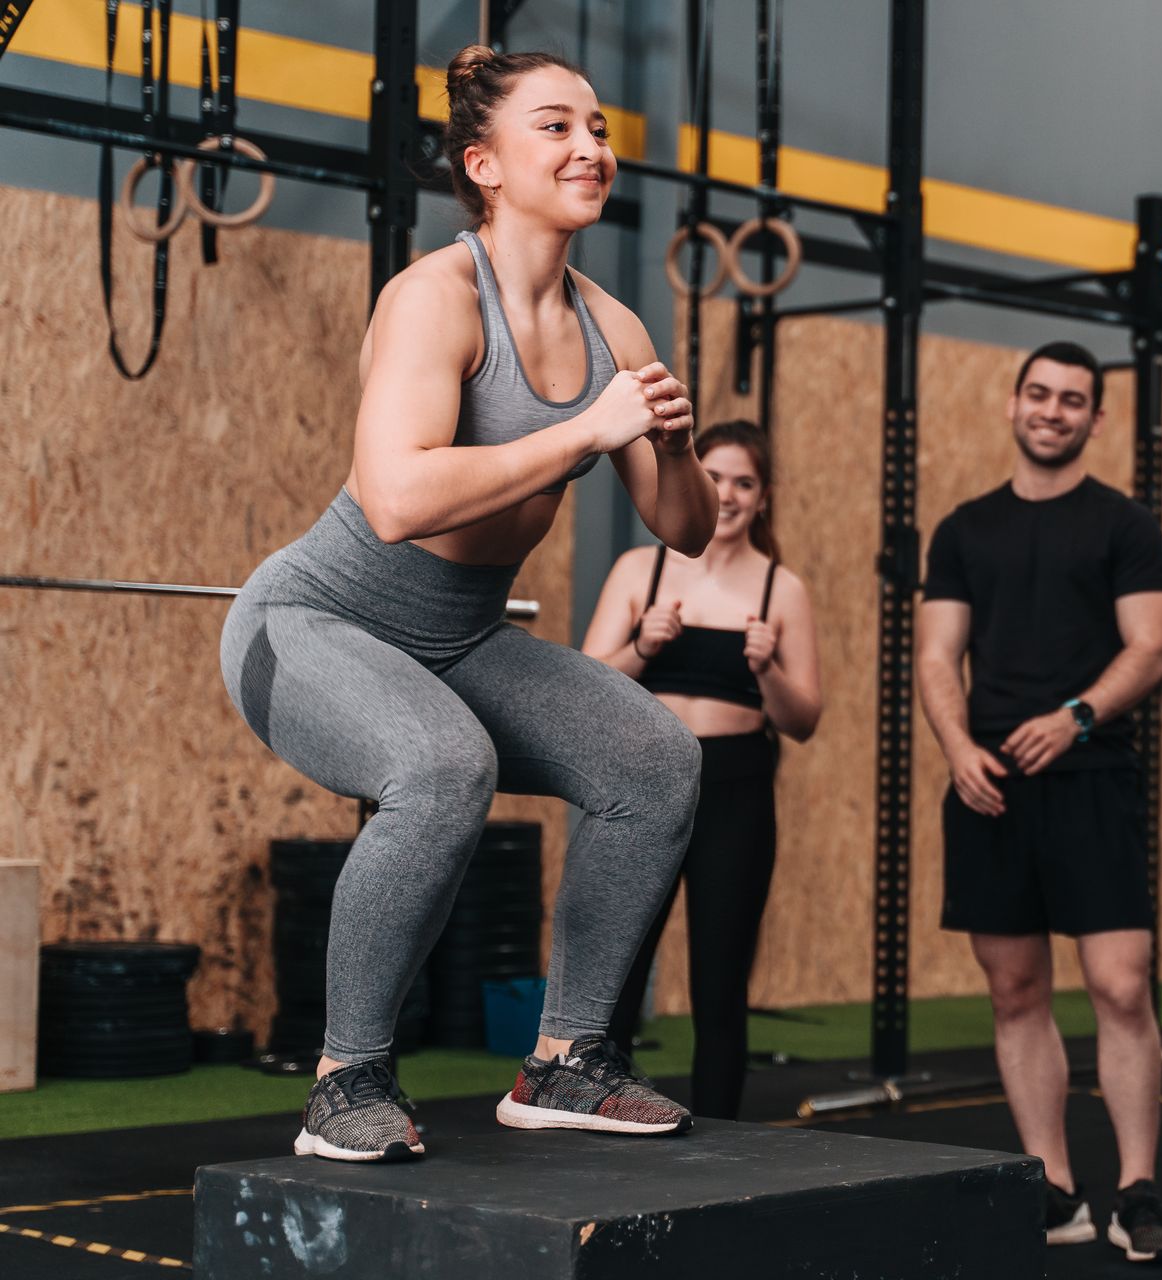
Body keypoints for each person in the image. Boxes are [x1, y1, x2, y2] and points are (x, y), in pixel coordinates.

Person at [219, 45, 718, 1162]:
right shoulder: (433, 298)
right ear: (485, 163)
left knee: (653, 759)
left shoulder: (615, 329)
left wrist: (670, 445)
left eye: (596, 128)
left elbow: (682, 526)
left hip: (459, 638)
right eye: (556, 128)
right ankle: (344, 1077)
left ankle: (567, 1059)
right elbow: (396, 497)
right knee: (445, 766)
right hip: (311, 624)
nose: (589, 147)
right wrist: (588, 429)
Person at [917, 340, 1162, 1265]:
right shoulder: (962, 530)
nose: (1053, 411)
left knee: (1120, 985)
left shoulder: (1125, 525)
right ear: (1014, 404)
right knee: (1016, 989)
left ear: (1095, 419)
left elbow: (1153, 646)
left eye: (1073, 401)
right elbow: (935, 655)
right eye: (1040, 394)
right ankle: (1057, 1186)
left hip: (1094, 777)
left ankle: (1138, 1189)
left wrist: (1076, 716)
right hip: (989, 785)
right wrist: (958, 749)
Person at [583, 420, 823, 1120]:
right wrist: (641, 645)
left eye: (744, 482)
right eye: (714, 477)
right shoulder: (641, 570)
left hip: (736, 784)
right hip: (646, 779)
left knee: (720, 979)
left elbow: (804, 720)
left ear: (764, 496)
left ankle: (721, 1139)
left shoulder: (783, 588)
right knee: (618, 970)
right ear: (691, 480)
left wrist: (767, 667)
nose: (728, 494)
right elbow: (587, 687)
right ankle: (598, 1112)